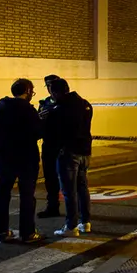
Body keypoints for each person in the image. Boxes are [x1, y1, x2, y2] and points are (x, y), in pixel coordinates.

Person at [0, 78, 45, 243]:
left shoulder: (0, 107)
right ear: (27, 91)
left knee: (3, 194)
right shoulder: (28, 110)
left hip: (5, 157)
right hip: (26, 159)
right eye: (31, 91)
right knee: (27, 196)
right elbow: (39, 132)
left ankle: (2, 231)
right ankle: (27, 233)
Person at [48, 78, 94, 237]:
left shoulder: (59, 109)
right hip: (85, 152)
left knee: (69, 191)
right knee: (82, 188)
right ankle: (86, 222)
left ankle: (71, 226)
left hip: (69, 153)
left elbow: (53, 133)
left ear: (54, 92)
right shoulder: (85, 104)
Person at [37, 74, 61, 218]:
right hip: (49, 145)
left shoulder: (68, 102)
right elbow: (37, 126)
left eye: (53, 84)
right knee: (50, 178)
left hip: (64, 146)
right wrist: (40, 118)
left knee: (71, 180)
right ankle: (52, 206)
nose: (50, 88)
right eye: (48, 85)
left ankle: (77, 211)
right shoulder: (44, 103)